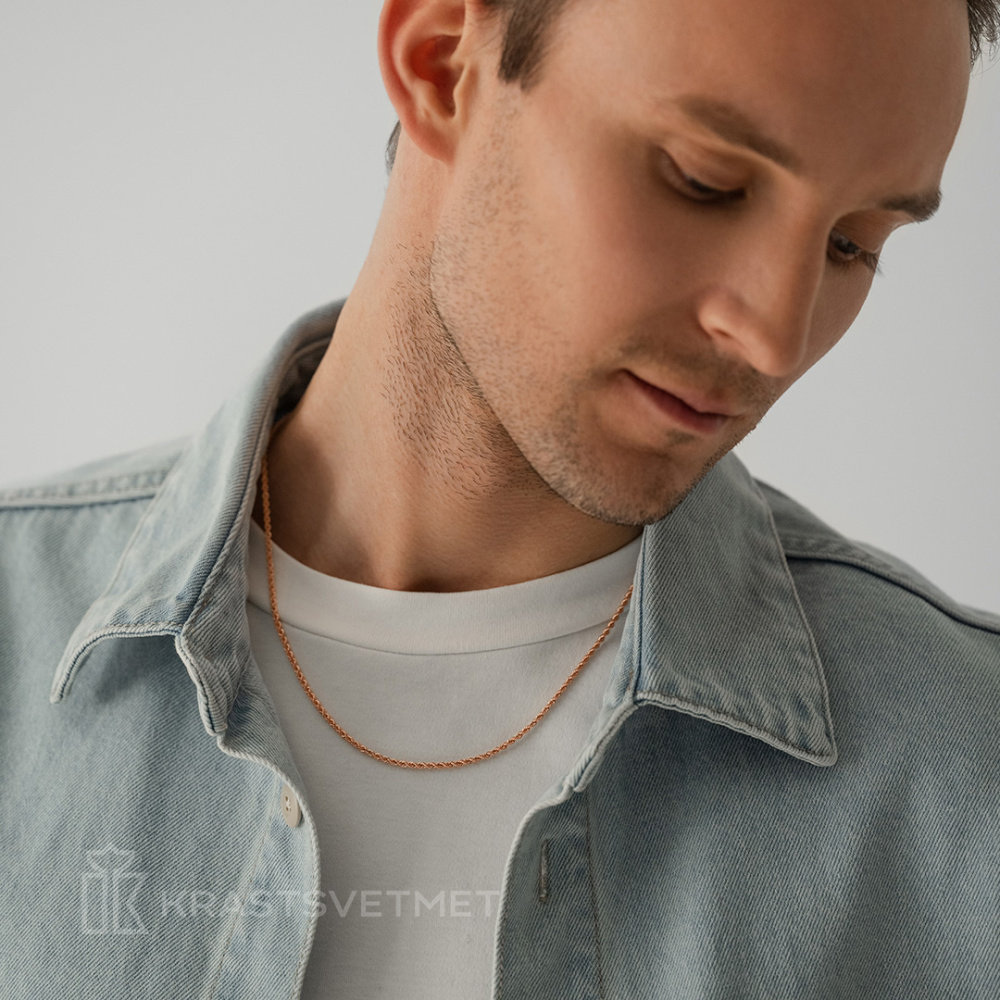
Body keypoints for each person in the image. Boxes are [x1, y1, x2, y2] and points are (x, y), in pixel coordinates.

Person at [2, 0, 999, 996]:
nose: (775, 334)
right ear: (442, 63)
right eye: (706, 182)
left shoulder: (963, 773)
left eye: (852, 244)